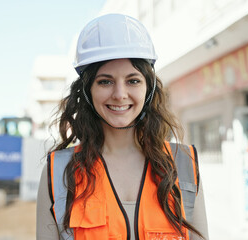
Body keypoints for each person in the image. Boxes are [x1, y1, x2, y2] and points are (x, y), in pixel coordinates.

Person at [36, 13, 208, 240]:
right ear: (88, 91)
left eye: (133, 80)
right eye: (105, 81)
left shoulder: (184, 164)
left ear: (148, 88)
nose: (119, 94)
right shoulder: (59, 171)